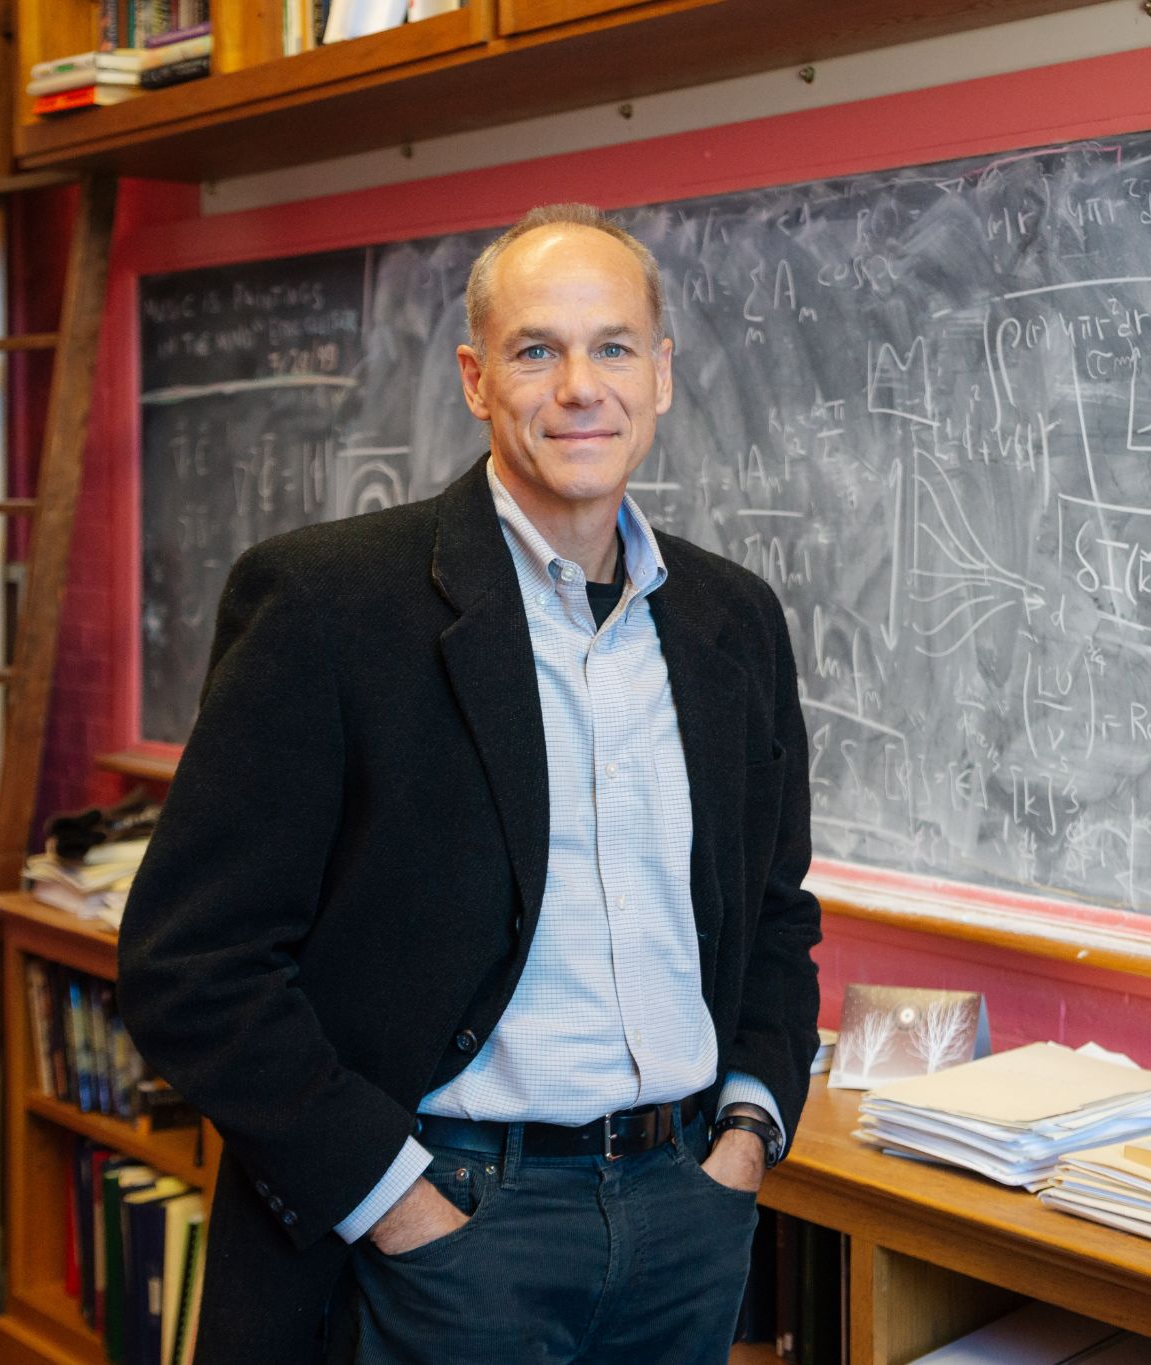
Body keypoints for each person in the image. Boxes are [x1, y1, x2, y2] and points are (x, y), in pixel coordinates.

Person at [117, 203, 823, 1365]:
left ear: (661, 375)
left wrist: (745, 1132)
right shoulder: (329, 606)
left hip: (683, 1218)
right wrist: (399, 1203)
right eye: (534, 349)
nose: (577, 387)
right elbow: (190, 964)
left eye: (611, 348)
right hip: (451, 1230)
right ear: (474, 379)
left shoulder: (731, 621)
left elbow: (772, 915)